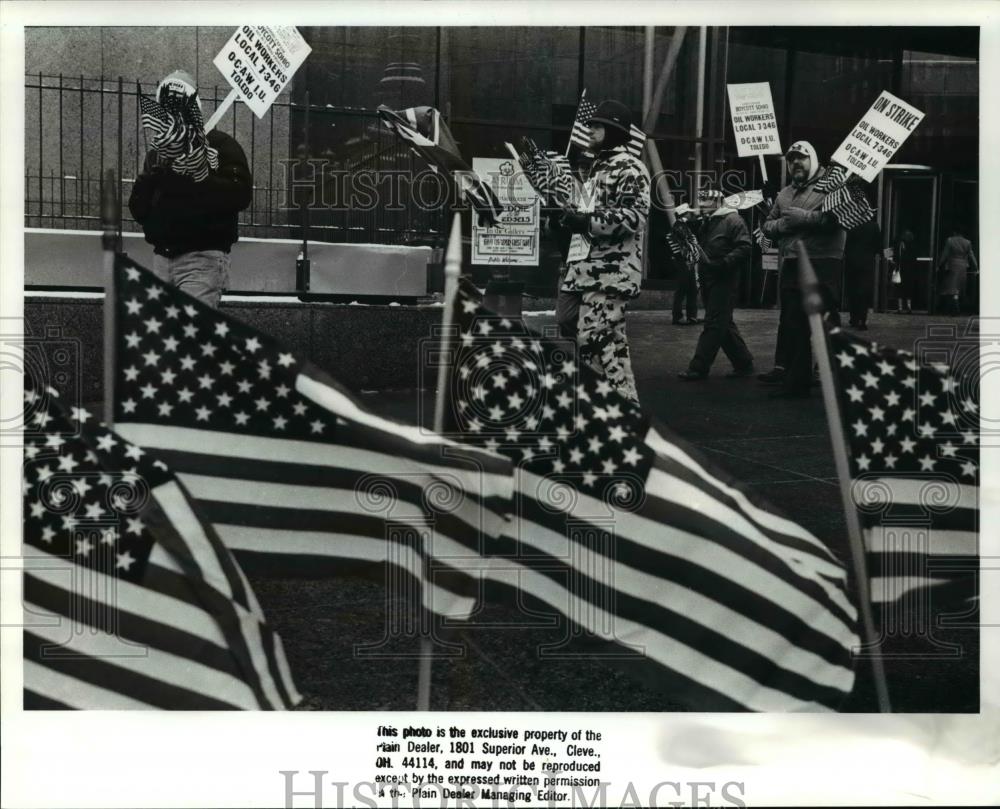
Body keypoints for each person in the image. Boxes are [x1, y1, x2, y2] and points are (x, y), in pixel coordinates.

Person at [546, 99, 651, 403]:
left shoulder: (630, 168)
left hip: (611, 273)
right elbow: (583, 215)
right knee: (571, 323)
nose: (590, 130)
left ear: (614, 130)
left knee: (600, 342)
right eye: (590, 125)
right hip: (582, 269)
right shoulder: (595, 169)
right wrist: (562, 220)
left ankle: (619, 408)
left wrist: (586, 221)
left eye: (597, 126)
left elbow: (633, 217)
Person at [129, 70, 252, 308]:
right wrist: (151, 177)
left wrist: (200, 176)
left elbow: (241, 194)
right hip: (162, 260)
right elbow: (139, 210)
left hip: (201, 260)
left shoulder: (220, 145)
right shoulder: (159, 154)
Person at [759, 140, 845, 398]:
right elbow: (767, 226)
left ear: (814, 160)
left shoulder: (832, 187)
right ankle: (797, 381)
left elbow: (841, 219)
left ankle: (837, 377)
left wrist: (805, 218)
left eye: (802, 158)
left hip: (823, 262)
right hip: (793, 262)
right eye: (792, 159)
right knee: (794, 322)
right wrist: (787, 225)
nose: (796, 162)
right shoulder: (784, 194)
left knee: (825, 321)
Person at [677, 190, 754, 380]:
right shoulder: (707, 221)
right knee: (723, 322)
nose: (701, 203)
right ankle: (743, 363)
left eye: (706, 200)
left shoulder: (733, 221)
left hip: (724, 276)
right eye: (700, 199)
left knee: (713, 322)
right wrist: (688, 222)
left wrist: (726, 262)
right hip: (708, 274)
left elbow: (745, 247)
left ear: (718, 201)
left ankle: (699, 367)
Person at [844, 218, 881, 330]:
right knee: (864, 291)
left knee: (853, 290)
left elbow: (846, 245)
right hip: (867, 262)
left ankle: (854, 318)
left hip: (852, 261)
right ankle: (862, 319)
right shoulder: (874, 226)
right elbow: (879, 246)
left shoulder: (850, 224)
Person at [670, 205, 701, 325]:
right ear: (684, 213)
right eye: (689, 213)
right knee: (683, 289)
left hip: (687, 261)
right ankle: (678, 317)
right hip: (683, 261)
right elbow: (685, 243)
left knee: (691, 288)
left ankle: (691, 315)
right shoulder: (679, 226)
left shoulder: (683, 226)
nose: (691, 214)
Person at [937, 226, 979, 315]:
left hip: (952, 265)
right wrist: (976, 267)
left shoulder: (950, 240)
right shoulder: (967, 242)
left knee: (951, 288)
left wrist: (939, 264)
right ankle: (954, 308)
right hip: (963, 266)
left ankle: (953, 309)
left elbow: (945, 254)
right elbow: (971, 255)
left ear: (954, 232)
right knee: (957, 288)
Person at [892, 228, 918, 314]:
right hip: (910, 269)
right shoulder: (913, 246)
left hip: (901, 268)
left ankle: (900, 308)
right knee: (909, 288)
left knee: (899, 288)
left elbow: (895, 255)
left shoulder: (899, 244)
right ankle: (909, 307)